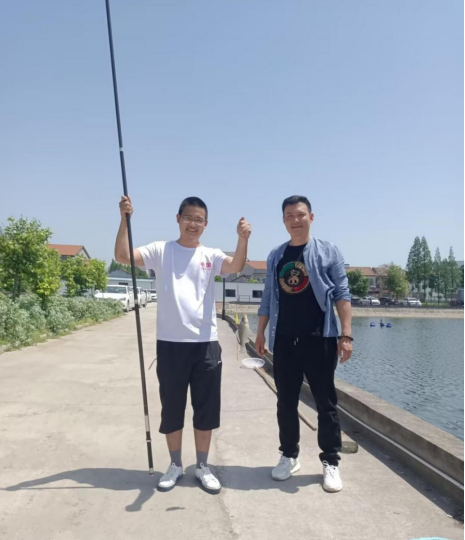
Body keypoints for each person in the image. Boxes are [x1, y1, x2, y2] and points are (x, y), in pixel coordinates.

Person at [115, 196, 252, 494]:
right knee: (172, 409)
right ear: (178, 219)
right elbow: (123, 256)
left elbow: (237, 264)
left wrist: (242, 239)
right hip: (171, 345)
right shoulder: (161, 250)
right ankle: (175, 465)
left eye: (199, 219)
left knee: (206, 409)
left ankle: (202, 466)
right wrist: (125, 220)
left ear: (206, 224)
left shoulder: (211, 255)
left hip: (206, 344)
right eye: (188, 217)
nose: (193, 224)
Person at [255, 196, 353, 493]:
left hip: (320, 339)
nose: (295, 220)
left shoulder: (328, 251)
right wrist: (260, 333)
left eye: (300, 214)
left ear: (311, 217)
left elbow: (342, 294)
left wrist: (346, 335)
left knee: (326, 402)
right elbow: (269, 296)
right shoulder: (276, 255)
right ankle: (289, 455)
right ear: (283, 220)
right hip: (285, 339)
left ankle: (331, 461)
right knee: (285, 401)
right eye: (289, 216)